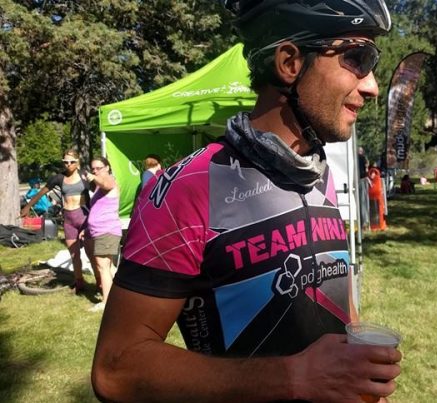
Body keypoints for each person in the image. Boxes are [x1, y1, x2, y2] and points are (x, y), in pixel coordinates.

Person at [92, 0, 402, 402]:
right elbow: (115, 369)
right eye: (357, 58)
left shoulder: (315, 171)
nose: (372, 86)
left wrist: (355, 362)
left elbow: (334, 298)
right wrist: (295, 377)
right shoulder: (189, 186)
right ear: (290, 62)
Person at [20, 149, 94, 293]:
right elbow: (41, 192)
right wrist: (27, 207)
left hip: (84, 218)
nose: (68, 164)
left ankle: (101, 283)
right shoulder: (59, 178)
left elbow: (100, 191)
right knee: (74, 255)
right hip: (69, 220)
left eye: (72, 162)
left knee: (91, 253)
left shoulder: (84, 175)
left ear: (77, 162)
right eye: (65, 162)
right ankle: (79, 283)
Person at [84, 157, 122, 312]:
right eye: (93, 169)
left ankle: (107, 302)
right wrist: (86, 229)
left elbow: (106, 184)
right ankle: (122, 295)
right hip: (98, 231)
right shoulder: (98, 187)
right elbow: (96, 209)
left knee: (103, 267)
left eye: (98, 168)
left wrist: (93, 178)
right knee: (109, 267)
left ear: (107, 168)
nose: (95, 171)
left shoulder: (110, 180)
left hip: (106, 230)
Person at [368, 162, 387, 231]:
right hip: (375, 193)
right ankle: (377, 225)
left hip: (375, 193)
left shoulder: (373, 172)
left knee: (377, 209)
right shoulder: (375, 172)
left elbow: (372, 178)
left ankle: (377, 225)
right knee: (376, 209)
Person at [357, 146, 370, 230]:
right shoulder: (363, 158)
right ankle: (364, 222)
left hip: (355, 180)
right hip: (362, 180)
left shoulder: (354, 158)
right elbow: (366, 169)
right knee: (363, 202)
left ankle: (361, 222)